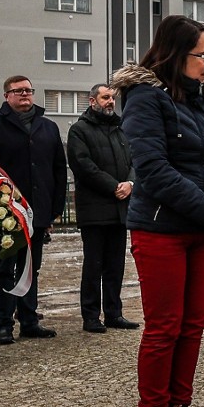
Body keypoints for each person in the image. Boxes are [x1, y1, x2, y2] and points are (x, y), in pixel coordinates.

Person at [110, 15, 204, 407]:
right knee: (164, 327)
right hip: (162, 229)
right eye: (201, 55)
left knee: (193, 326)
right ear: (174, 53)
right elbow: (153, 169)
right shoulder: (145, 99)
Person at [0, 76, 66, 345]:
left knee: (31, 268)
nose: (25, 95)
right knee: (5, 268)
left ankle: (29, 320)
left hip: (38, 212)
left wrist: (54, 209)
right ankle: (4, 323)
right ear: (7, 95)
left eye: (28, 90)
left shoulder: (48, 127)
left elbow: (58, 169)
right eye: (18, 91)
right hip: (4, 213)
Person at [66, 83, 140, 334]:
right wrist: (113, 186)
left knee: (115, 265)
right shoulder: (80, 130)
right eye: (105, 97)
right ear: (92, 101)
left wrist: (129, 183)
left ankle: (113, 312)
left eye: (112, 98)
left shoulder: (120, 131)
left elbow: (133, 161)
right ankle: (90, 316)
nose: (110, 101)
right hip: (95, 209)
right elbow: (83, 165)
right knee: (94, 264)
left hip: (120, 208)